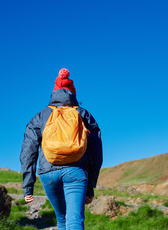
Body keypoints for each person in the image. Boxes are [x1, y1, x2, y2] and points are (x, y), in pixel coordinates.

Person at [20, 68, 103, 230]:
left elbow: (28, 151)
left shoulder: (40, 116)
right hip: (76, 170)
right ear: (73, 95)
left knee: (62, 219)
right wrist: (91, 185)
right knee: (75, 220)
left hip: (47, 172)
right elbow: (96, 152)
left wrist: (28, 186)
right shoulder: (83, 114)